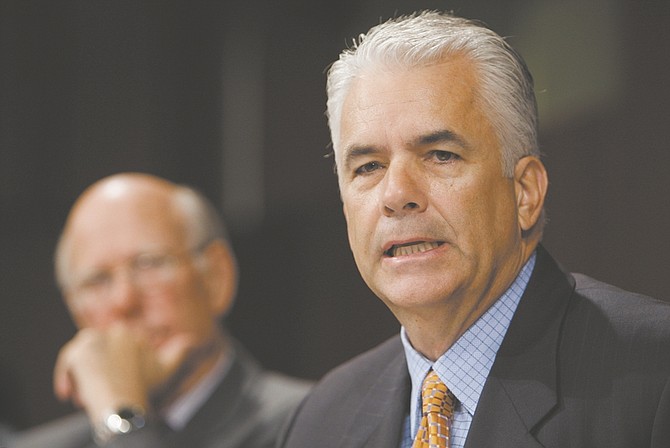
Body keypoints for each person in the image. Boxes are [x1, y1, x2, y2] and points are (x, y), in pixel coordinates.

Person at [279, 10, 670, 448]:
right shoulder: (320, 420)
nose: (396, 194)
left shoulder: (655, 376)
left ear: (524, 192)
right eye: (368, 166)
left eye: (440, 155)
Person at [14, 173, 311, 448]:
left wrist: (120, 420)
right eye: (97, 280)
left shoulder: (311, 424)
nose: (124, 301)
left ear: (215, 278)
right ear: (77, 312)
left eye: (148, 264)